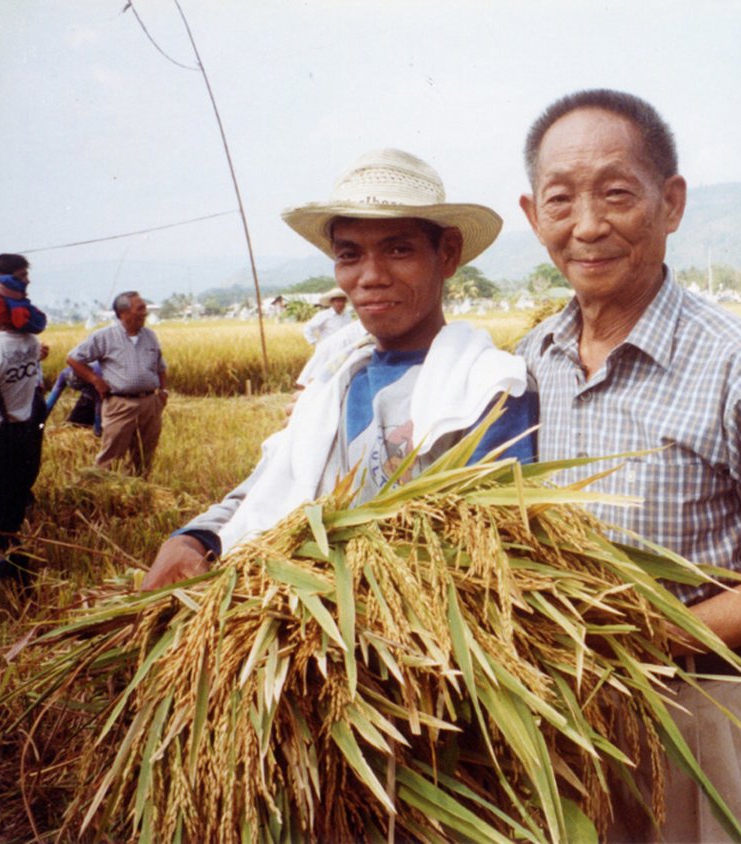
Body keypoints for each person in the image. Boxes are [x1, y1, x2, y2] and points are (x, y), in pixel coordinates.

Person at [517, 89, 741, 843]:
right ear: (533, 215)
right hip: (573, 715)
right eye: (561, 200)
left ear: (670, 203)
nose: (588, 225)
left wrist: (638, 638)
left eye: (616, 193)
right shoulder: (532, 363)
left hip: (714, 710)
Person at [141, 148, 537, 590]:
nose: (370, 276)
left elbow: (490, 552)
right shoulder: (334, 384)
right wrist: (193, 539)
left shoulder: (487, 390)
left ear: (446, 254)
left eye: (399, 249)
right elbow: (269, 485)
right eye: (350, 255)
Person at [66, 292, 167, 476]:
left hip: (150, 403)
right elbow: (73, 359)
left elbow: (160, 366)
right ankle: (103, 495)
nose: (145, 313)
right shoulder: (104, 336)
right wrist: (96, 381)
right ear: (123, 313)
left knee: (144, 456)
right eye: (140, 308)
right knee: (111, 456)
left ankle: (138, 493)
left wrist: (163, 391)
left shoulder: (150, 335)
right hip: (120, 403)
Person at [0, 287, 44, 584]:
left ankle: (6, 568)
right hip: (24, 434)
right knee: (12, 510)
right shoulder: (31, 343)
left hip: (1, 438)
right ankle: (18, 570)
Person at [0, 253, 48, 335]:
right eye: (22, 275)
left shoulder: (16, 302)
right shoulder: (2, 304)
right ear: (2, 277)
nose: (27, 281)